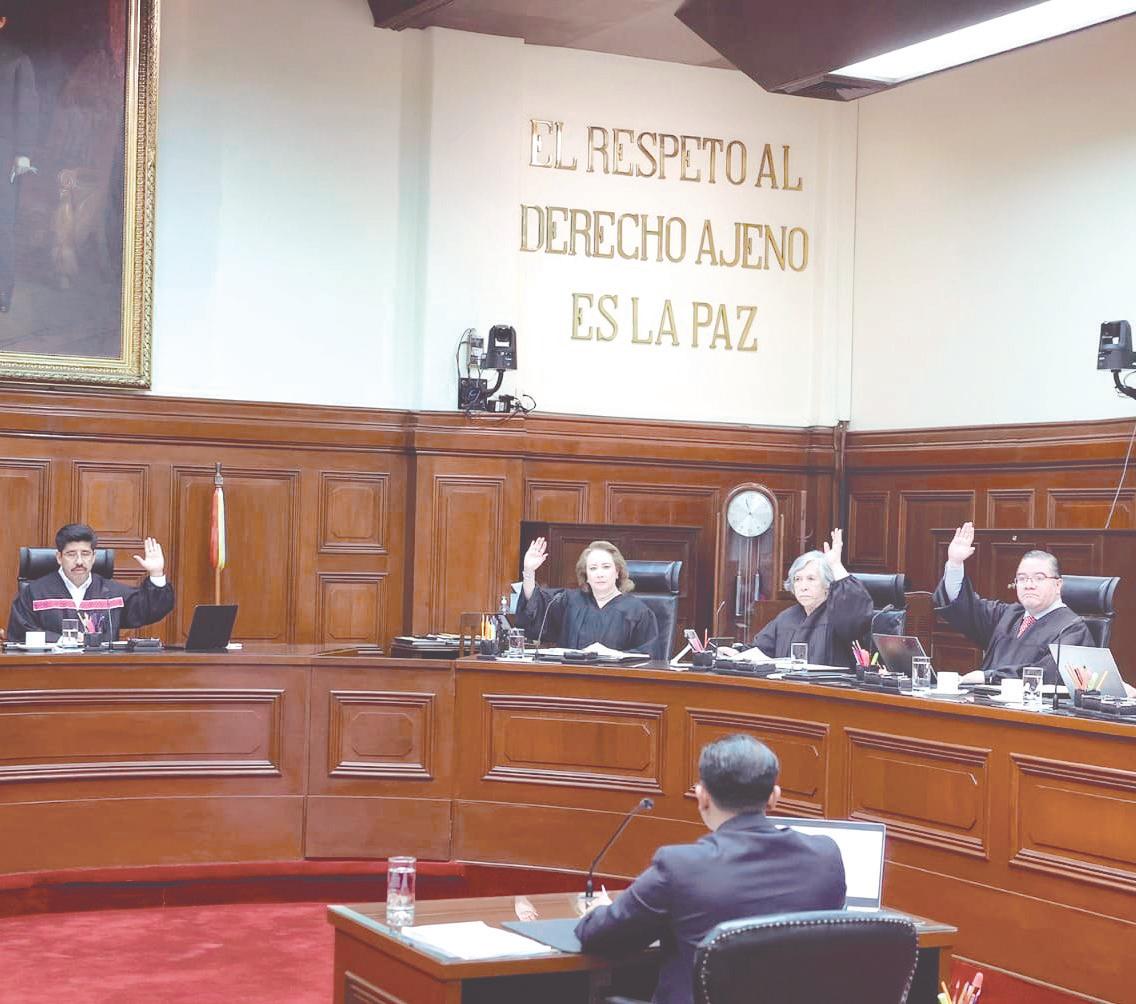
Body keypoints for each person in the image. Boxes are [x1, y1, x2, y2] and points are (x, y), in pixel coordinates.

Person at [575, 734, 846, 1004]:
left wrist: (596, 911)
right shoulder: (825, 856)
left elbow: (601, 937)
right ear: (774, 797)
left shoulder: (680, 866)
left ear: (702, 796)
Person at [934, 522, 1092, 683]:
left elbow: (1049, 675)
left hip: (1026, 699)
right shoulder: (1007, 615)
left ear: (1058, 585)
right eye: (1022, 578)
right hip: (984, 696)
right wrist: (955, 564)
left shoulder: (1071, 628)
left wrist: (988, 677)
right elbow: (965, 607)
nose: (1029, 585)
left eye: (1039, 578)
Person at [7, 523, 175, 642]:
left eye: (85, 554)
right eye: (71, 554)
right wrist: (63, 640)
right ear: (59, 557)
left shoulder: (112, 593)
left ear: (94, 557)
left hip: (101, 674)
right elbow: (20, 633)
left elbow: (149, 609)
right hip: (49, 673)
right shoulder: (35, 593)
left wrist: (156, 573)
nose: (79, 561)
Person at [740, 528, 873, 668]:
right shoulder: (786, 618)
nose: (803, 587)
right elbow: (760, 651)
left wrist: (835, 565)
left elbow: (855, 617)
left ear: (827, 584)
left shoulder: (840, 616)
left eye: (811, 579)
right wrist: (735, 652)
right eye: (797, 579)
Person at [515, 537, 658, 656]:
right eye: (593, 568)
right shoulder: (569, 601)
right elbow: (536, 606)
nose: (599, 574)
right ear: (586, 575)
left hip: (616, 680)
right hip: (570, 678)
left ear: (617, 572)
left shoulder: (638, 612)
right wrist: (529, 572)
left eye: (606, 567)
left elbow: (648, 656)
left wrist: (611, 654)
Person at [0, 15, 38, 314]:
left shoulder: (17, 59)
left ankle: (2, 291)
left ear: (1, 22)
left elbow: (27, 109)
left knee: (2, 223)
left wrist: (23, 153)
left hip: (3, 151)